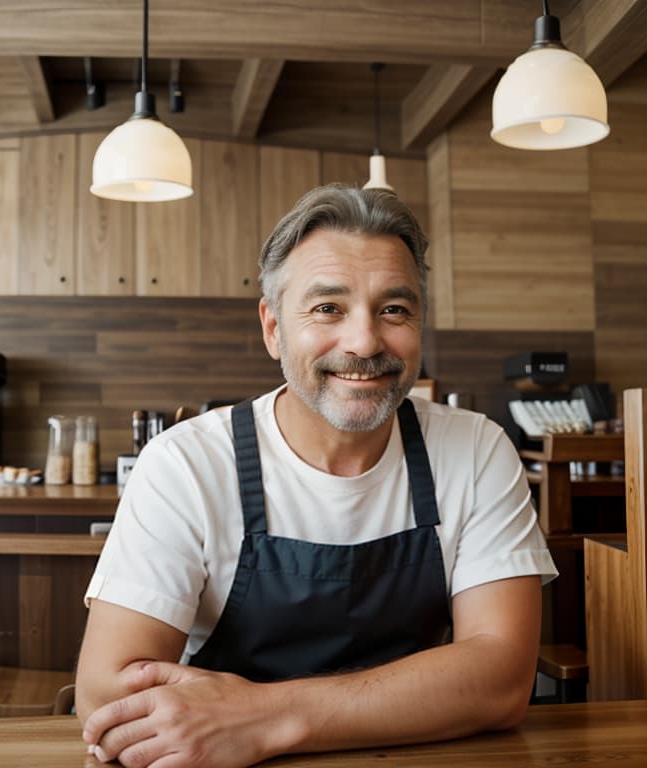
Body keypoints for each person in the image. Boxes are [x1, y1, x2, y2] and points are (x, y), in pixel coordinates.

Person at [76, 184, 558, 768]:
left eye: (395, 310)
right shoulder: (186, 464)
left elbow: (502, 678)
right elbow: (106, 694)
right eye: (328, 308)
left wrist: (267, 717)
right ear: (273, 327)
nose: (364, 341)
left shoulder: (475, 449)